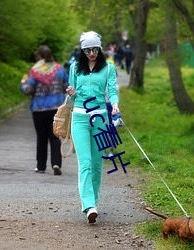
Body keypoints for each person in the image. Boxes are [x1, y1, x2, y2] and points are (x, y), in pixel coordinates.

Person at [66, 31, 119, 223]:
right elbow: (72, 97)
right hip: (79, 118)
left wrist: (114, 104)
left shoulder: (108, 68)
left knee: (97, 164)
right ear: (82, 50)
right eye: (87, 50)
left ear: (100, 48)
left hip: (101, 120)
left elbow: (112, 90)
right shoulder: (74, 68)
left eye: (95, 49)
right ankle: (88, 205)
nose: (91, 53)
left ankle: (93, 201)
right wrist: (71, 92)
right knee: (85, 163)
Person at [20, 45, 69, 175]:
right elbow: (67, 87)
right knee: (54, 137)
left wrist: (23, 83)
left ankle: (41, 166)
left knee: (41, 138)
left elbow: (28, 90)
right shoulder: (60, 70)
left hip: (39, 109)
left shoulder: (35, 71)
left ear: (39, 57)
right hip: (56, 109)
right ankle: (56, 163)